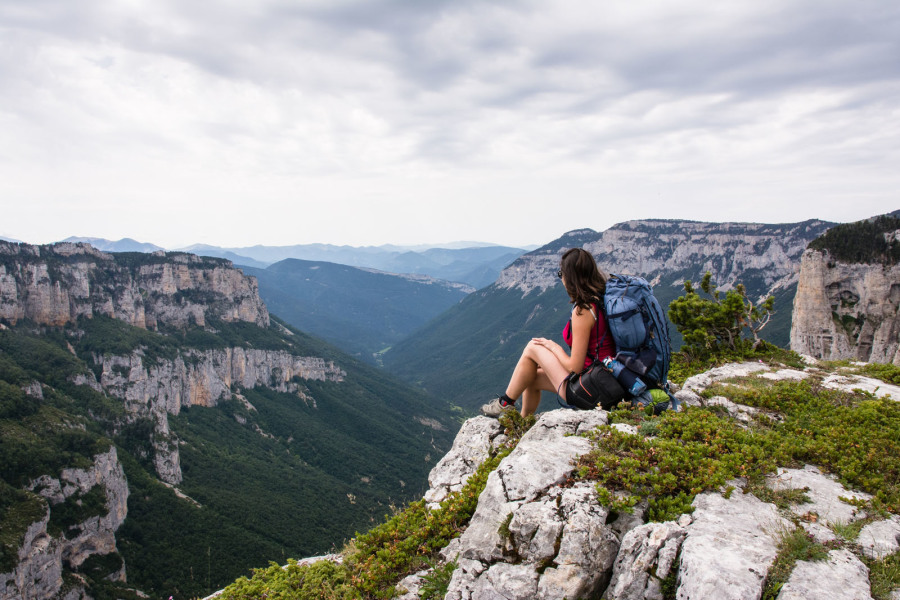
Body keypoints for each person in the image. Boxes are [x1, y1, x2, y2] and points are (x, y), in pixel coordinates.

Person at [480, 247, 616, 418]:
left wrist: (553, 348)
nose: (561, 279)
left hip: (588, 389)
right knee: (530, 377)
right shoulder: (603, 298)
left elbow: (576, 366)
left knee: (533, 347)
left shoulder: (584, 310)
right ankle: (523, 420)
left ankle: (505, 404)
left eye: (561, 274)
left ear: (570, 277)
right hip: (604, 381)